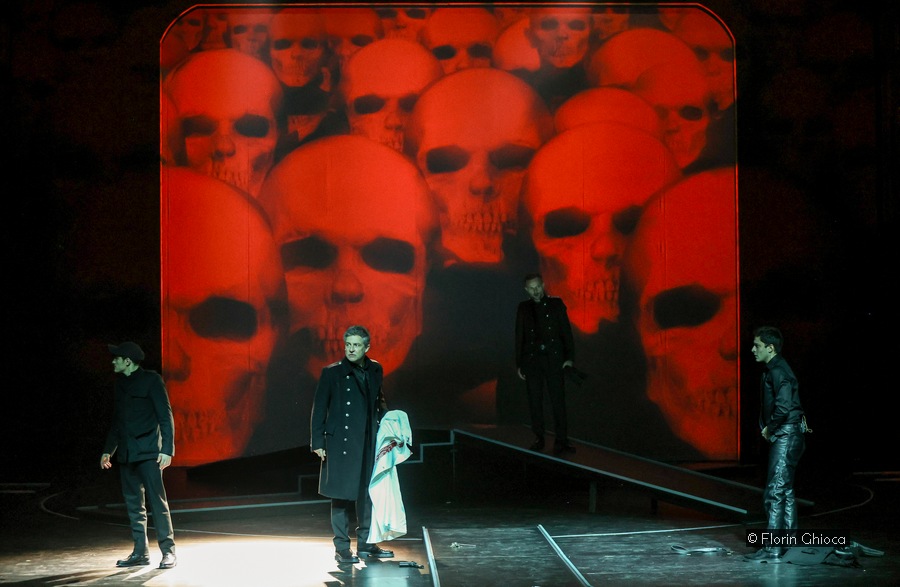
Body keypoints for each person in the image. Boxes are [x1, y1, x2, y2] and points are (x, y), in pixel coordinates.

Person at [310, 325, 393, 564]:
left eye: (356, 345)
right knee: (341, 495)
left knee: (367, 493)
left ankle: (366, 544)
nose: (351, 349)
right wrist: (318, 441)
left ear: (367, 347)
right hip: (340, 442)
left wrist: (390, 429)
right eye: (348, 345)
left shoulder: (375, 369)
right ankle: (342, 547)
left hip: (368, 440)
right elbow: (319, 408)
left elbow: (379, 402)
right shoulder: (332, 373)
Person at [100, 342, 177, 570]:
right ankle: (140, 553)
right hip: (126, 454)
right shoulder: (120, 384)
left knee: (157, 503)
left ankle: (168, 552)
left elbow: (165, 416)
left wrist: (167, 449)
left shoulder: (152, 380)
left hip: (149, 453)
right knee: (134, 506)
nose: (113, 361)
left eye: (117, 358)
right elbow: (118, 421)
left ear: (128, 361)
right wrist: (108, 450)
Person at [745, 326, 807, 563]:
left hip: (786, 435)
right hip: (789, 434)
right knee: (785, 490)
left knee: (775, 491)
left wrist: (769, 427)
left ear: (770, 348)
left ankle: (772, 548)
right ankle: (788, 545)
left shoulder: (779, 371)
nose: (753, 350)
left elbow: (783, 406)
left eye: (757, 346)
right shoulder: (775, 369)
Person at [515, 273, 576, 454]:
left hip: (554, 360)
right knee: (535, 401)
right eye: (531, 288)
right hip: (533, 361)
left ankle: (561, 440)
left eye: (538, 287)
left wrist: (569, 357)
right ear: (526, 290)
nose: (535, 291)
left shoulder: (556, 304)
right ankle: (539, 437)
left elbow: (566, 332)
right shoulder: (524, 308)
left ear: (543, 285)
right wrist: (519, 364)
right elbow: (519, 336)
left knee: (558, 401)